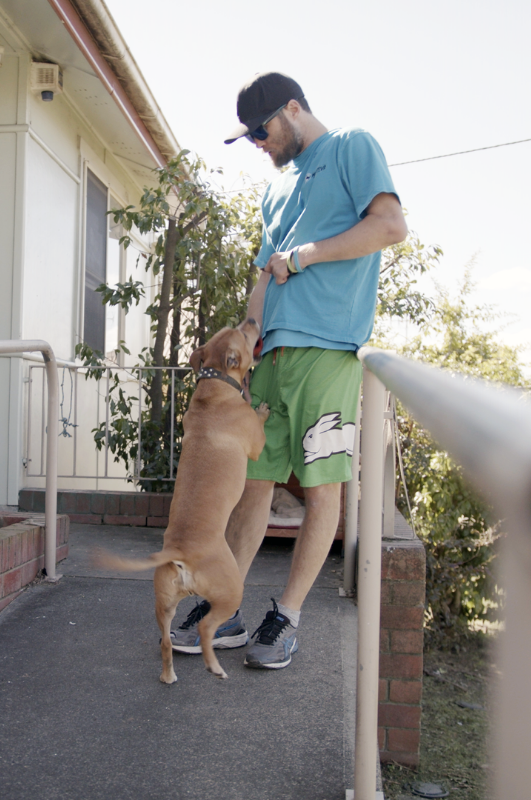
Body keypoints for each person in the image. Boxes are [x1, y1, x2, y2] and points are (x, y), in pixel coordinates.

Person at [169, 71, 407, 669]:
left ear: (294, 110)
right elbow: (260, 277)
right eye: (250, 137)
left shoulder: (352, 146)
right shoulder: (278, 189)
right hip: (269, 357)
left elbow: (390, 227)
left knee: (322, 487)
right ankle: (227, 609)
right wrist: (245, 343)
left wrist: (306, 256)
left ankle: (287, 619)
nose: (258, 145)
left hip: (328, 349)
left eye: (261, 132)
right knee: (254, 484)